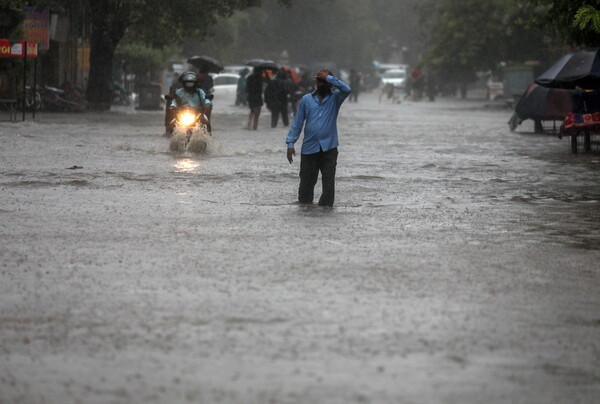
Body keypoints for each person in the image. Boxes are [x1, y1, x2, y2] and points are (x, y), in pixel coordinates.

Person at [286, 68, 351, 207]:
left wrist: (329, 78)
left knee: (328, 186)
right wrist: (290, 143)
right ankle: (306, 212)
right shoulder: (306, 99)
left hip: (329, 148)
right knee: (305, 188)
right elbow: (297, 123)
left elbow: (347, 89)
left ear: (330, 83)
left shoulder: (335, 98)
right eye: (319, 81)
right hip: (309, 149)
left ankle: (325, 215)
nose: (320, 84)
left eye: (323, 81)